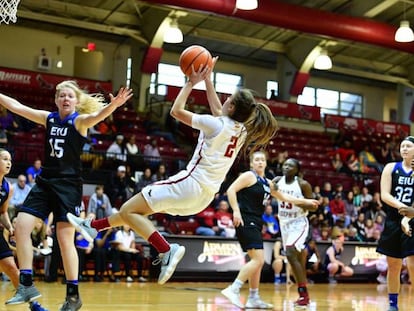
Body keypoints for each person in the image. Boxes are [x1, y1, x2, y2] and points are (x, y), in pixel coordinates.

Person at [67, 58, 279, 287]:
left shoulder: (216, 124)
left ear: (234, 107)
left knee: (129, 210)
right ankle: (93, 227)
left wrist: (191, 83)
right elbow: (220, 110)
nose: (225, 99)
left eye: (230, 99)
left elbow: (176, 112)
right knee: (133, 213)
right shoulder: (241, 131)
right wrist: (208, 80)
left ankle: (166, 249)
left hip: (188, 184)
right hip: (203, 198)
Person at [0, 81, 133, 310]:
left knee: (65, 240)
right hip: (45, 182)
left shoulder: (79, 121)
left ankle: (73, 296)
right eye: (61, 95)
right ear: (56, 100)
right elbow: (17, 107)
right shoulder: (49, 118)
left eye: (70, 96)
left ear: (76, 101)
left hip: (69, 186)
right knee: (21, 226)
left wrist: (114, 106)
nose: (65, 99)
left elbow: (97, 117)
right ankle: (26, 284)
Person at [221, 151, 319, 309]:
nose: (259, 162)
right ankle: (234, 289)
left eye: (262, 160)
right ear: (252, 163)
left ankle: (254, 297)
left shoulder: (268, 182)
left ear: (266, 163)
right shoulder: (249, 176)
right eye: (256, 160)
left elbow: (285, 198)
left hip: (256, 222)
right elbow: (231, 190)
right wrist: (236, 210)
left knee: (257, 262)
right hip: (246, 219)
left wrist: (306, 200)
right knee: (258, 260)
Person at [272, 158, 318, 308]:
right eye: (285, 164)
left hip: (298, 223)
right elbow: (269, 191)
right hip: (284, 224)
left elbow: (313, 207)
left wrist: (300, 202)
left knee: (290, 253)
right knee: (294, 258)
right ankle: (304, 295)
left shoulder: (303, 185)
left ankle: (303, 293)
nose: (286, 167)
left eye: (290, 165)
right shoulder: (278, 181)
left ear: (297, 170)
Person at [377, 136, 414, 311]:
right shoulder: (391, 168)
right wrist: (404, 208)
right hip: (393, 219)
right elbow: (385, 195)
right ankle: (393, 305)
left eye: (409, 146)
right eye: (402, 146)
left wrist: (410, 214)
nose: (404, 149)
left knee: (413, 265)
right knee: (394, 265)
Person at [0, 149, 20, 291]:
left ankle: (32, 304)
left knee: (13, 268)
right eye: (5, 159)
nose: (9, 163)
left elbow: (3, 212)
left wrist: (10, 227)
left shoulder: (8, 187)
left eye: (10, 160)